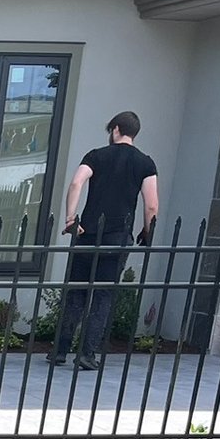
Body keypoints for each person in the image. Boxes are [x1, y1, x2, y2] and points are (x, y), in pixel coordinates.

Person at [51, 111, 159, 371]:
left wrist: (70, 219)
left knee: (75, 292)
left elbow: (77, 183)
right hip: (117, 238)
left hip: (87, 234)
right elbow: (151, 205)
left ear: (116, 129)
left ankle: (60, 351)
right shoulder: (145, 163)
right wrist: (147, 232)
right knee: (102, 296)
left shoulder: (96, 155)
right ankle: (87, 354)